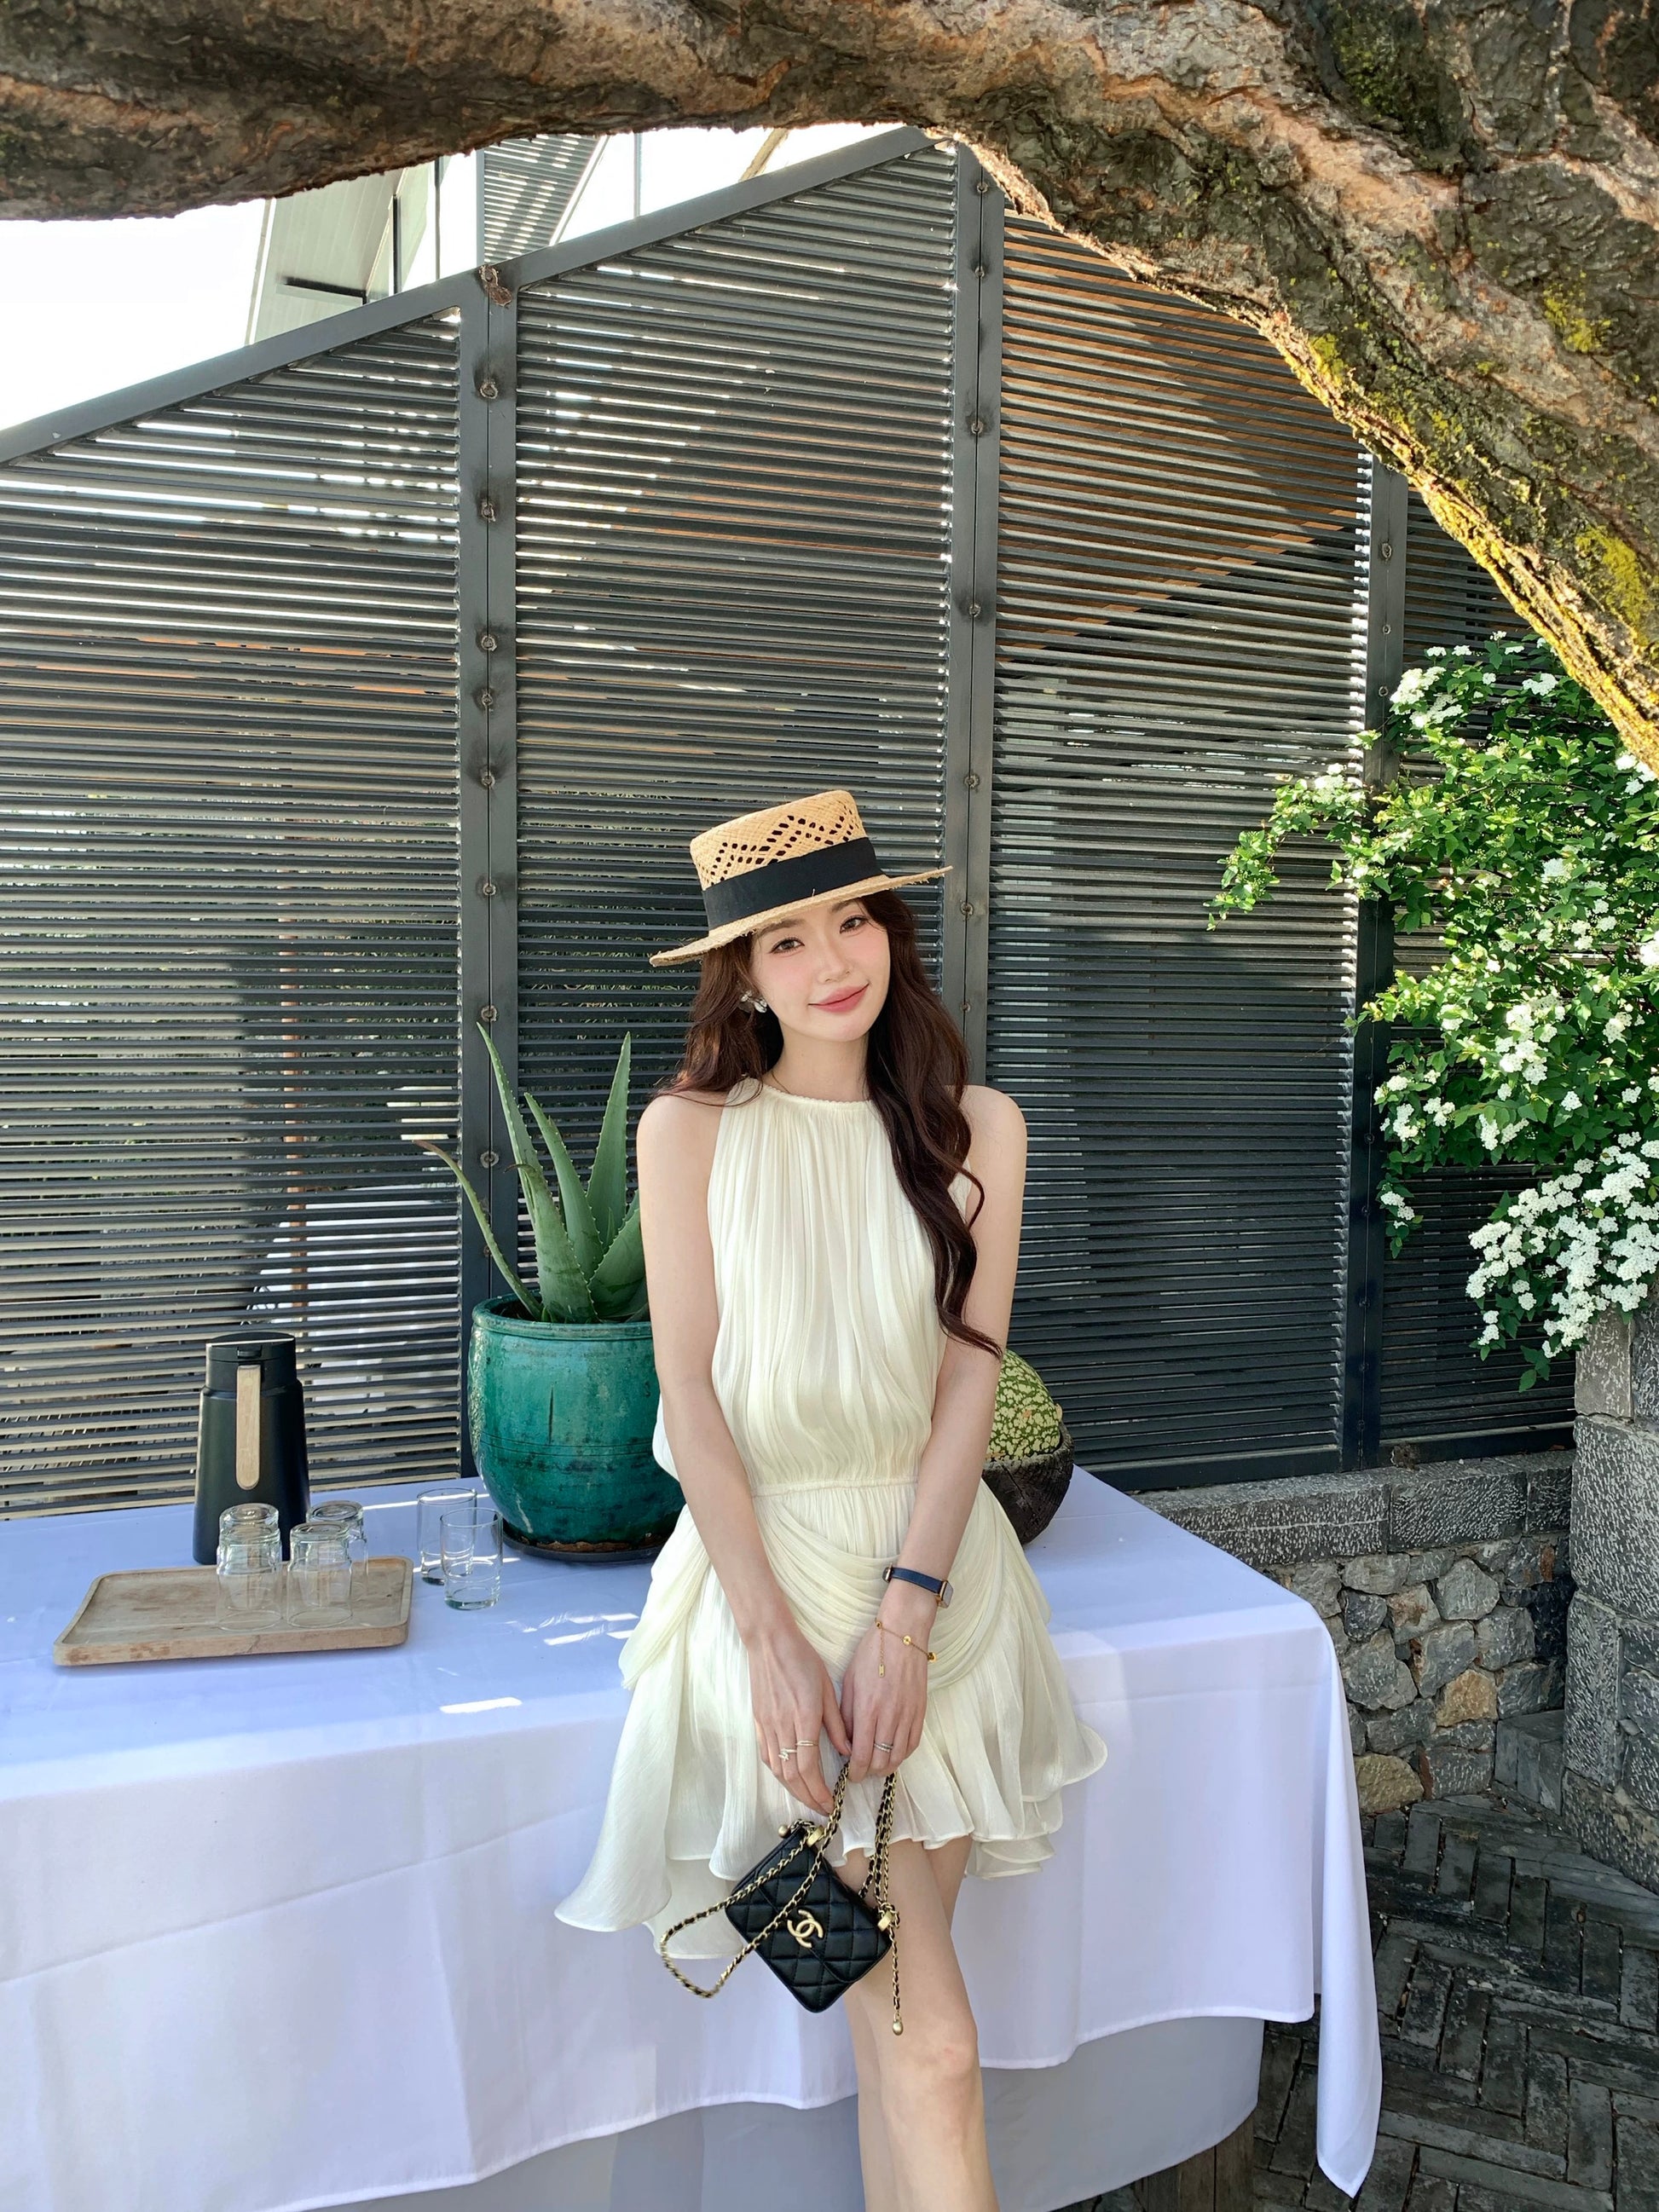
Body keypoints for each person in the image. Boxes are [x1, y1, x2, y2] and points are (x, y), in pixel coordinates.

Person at [555, 788, 1107, 2212]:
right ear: (742, 976)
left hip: (943, 1594)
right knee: (930, 2045)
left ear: (891, 932)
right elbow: (689, 1393)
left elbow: (969, 1377)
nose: (829, 961)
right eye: (785, 939)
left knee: (900, 2041)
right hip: (769, 1582)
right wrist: (772, 1646)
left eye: (851, 919)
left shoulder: (977, 1128)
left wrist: (906, 1620)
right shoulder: (690, 1132)